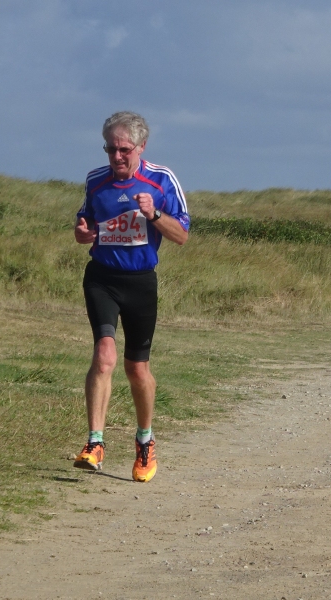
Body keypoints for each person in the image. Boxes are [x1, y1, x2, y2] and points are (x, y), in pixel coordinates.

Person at [72, 111, 190, 482]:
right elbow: (84, 224)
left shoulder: (162, 179)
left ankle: (145, 440)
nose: (117, 156)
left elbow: (181, 235)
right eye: (111, 149)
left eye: (124, 149)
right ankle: (95, 443)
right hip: (102, 278)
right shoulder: (96, 180)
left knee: (136, 368)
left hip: (140, 282)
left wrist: (153, 214)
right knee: (104, 354)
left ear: (141, 146)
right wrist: (82, 233)